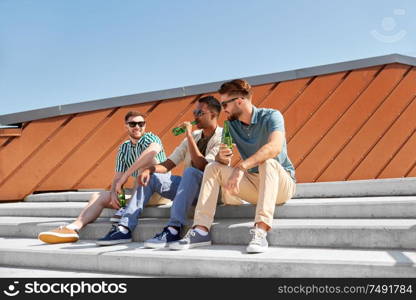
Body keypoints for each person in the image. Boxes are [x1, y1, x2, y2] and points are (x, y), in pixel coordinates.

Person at [169, 79, 296, 253]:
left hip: (281, 185)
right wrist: (221, 158)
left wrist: (241, 167)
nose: (223, 109)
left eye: (224, 104)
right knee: (212, 167)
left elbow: (274, 147)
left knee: (267, 162)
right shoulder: (230, 126)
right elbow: (223, 160)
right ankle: (201, 230)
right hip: (253, 186)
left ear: (239, 101)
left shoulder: (271, 116)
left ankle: (260, 230)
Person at [96, 96, 223, 247]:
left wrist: (188, 135)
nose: (195, 115)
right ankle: (124, 228)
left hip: (208, 192)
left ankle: (174, 229)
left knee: (190, 172)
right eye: (194, 111)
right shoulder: (195, 136)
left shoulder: (222, 136)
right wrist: (149, 170)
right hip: (187, 187)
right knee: (151, 176)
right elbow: (168, 164)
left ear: (213, 115)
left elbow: (202, 165)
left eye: (200, 113)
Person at [38, 111, 167, 244]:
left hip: (159, 192)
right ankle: (72, 228)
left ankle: (126, 213)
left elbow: (151, 153)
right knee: (97, 196)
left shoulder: (151, 138)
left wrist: (125, 176)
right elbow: (117, 177)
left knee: (146, 165)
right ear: (126, 126)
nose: (137, 127)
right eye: (133, 124)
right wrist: (113, 194)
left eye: (141, 123)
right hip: (138, 193)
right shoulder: (124, 148)